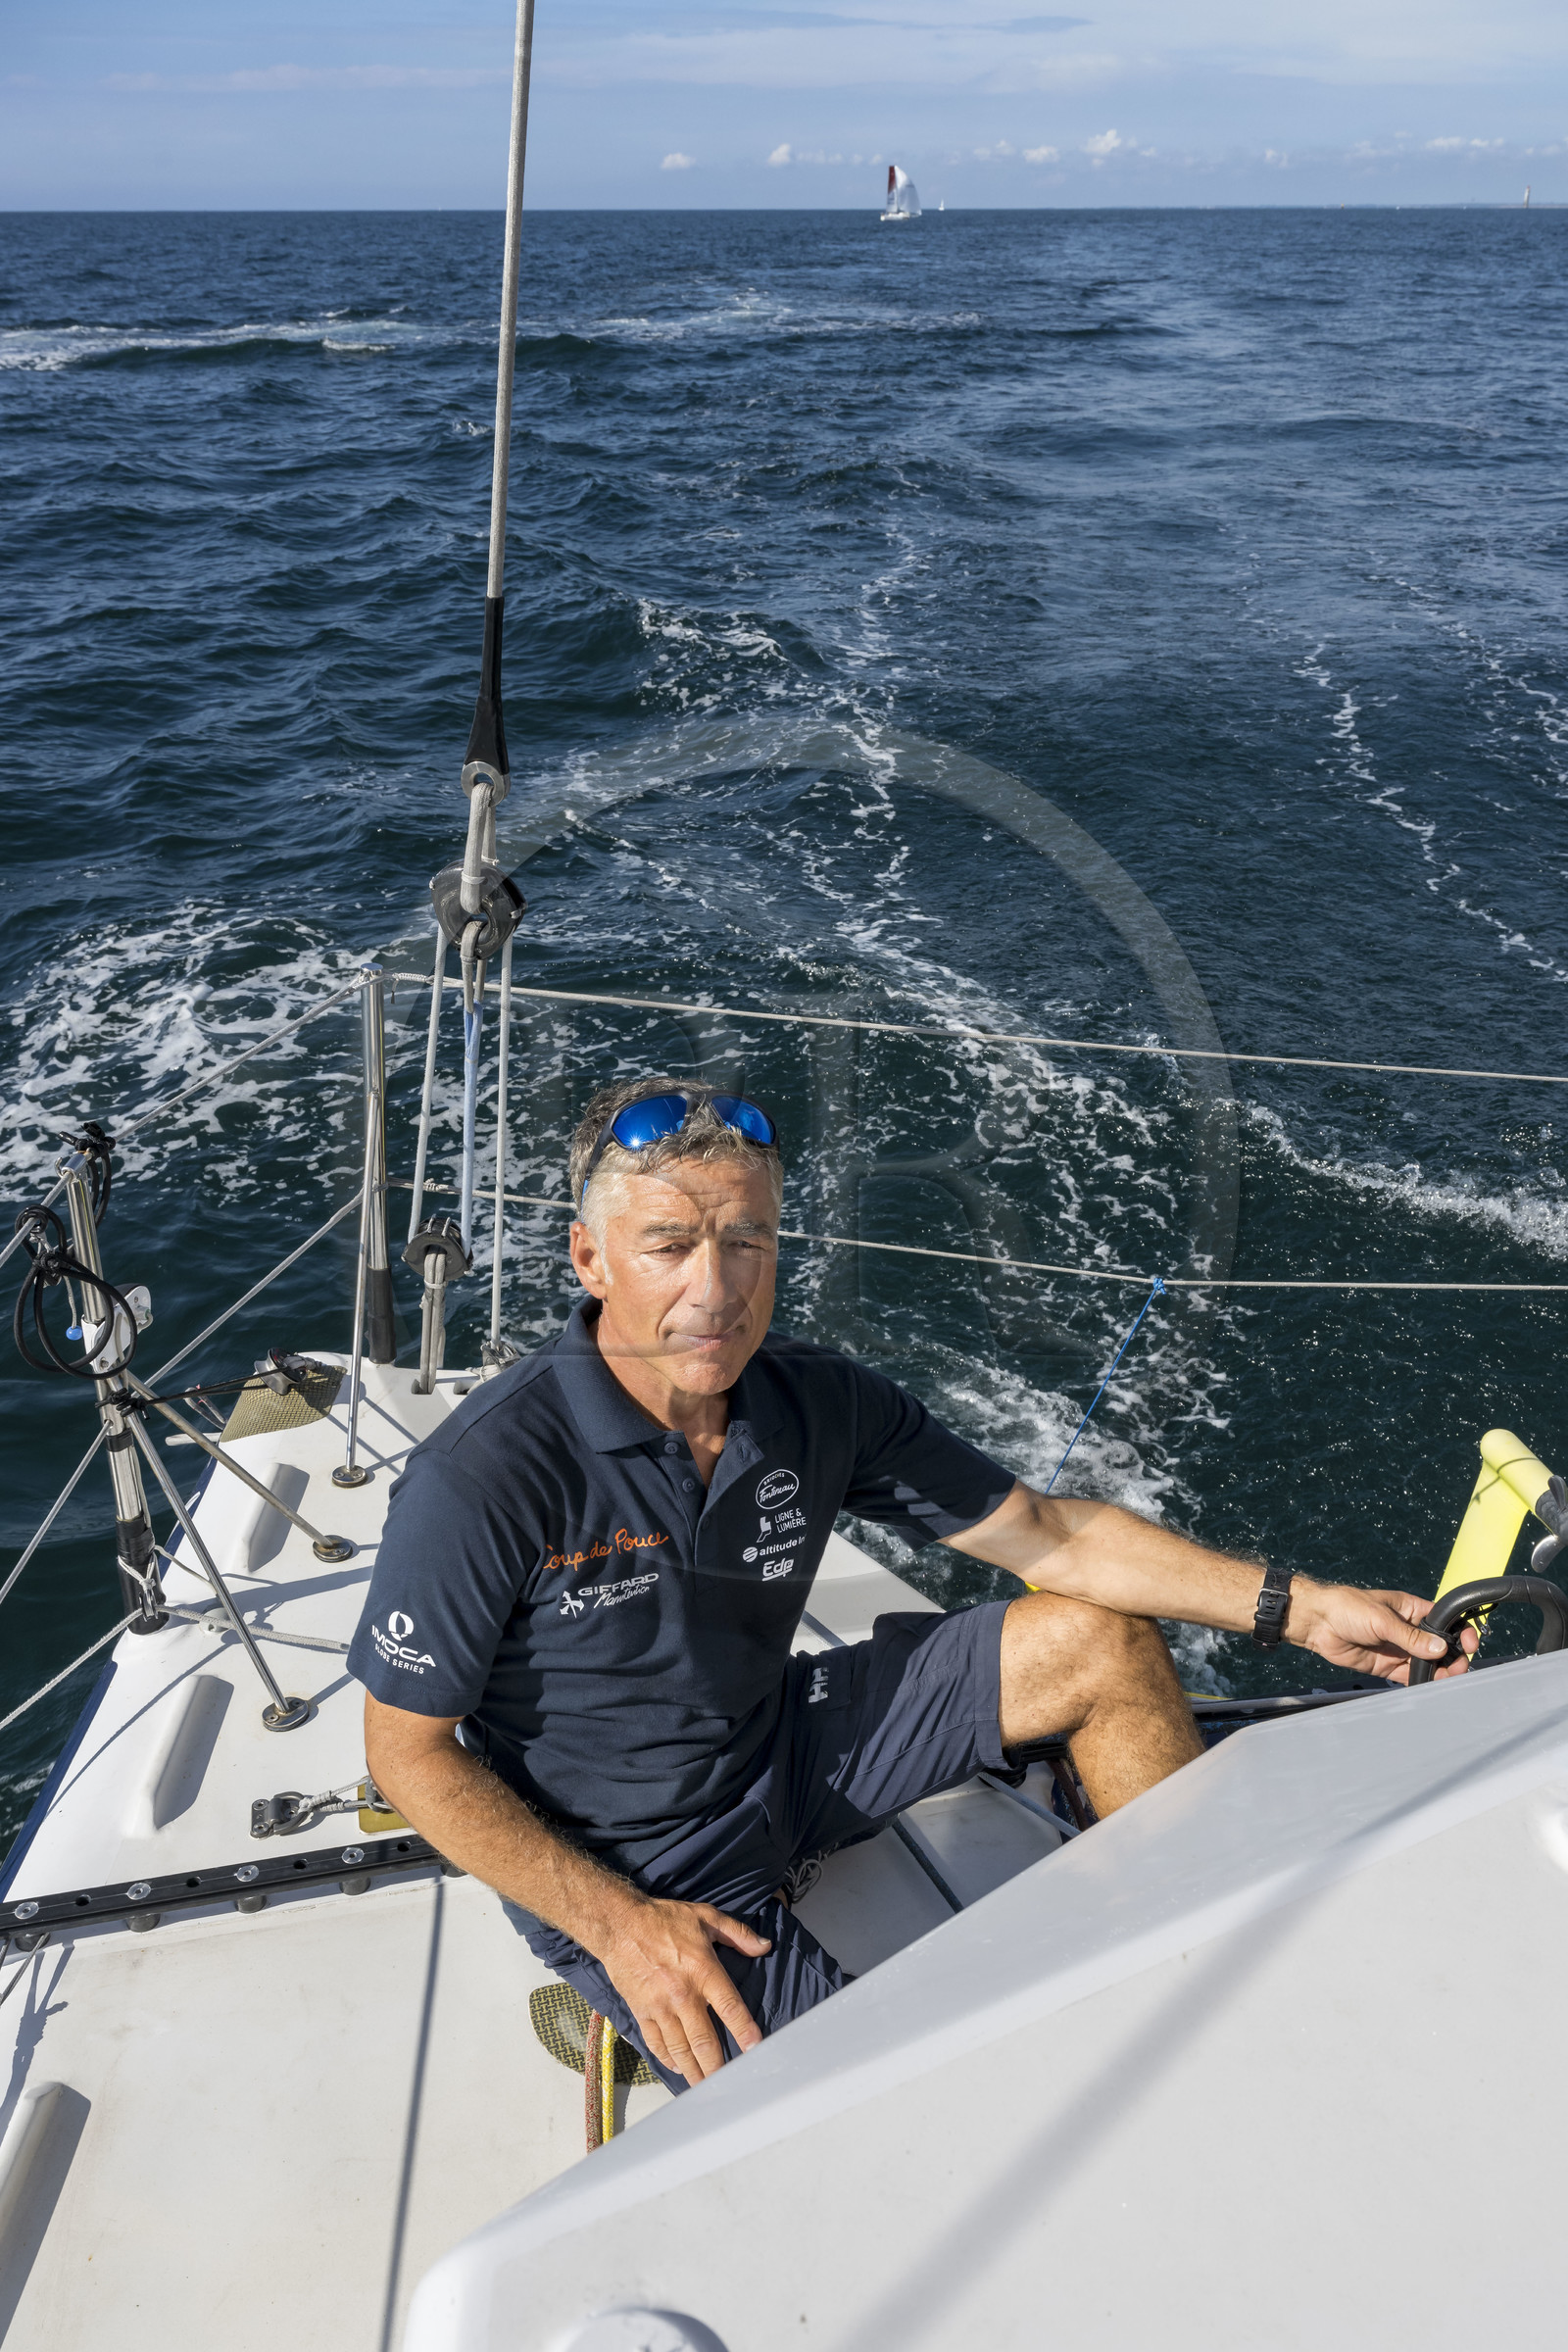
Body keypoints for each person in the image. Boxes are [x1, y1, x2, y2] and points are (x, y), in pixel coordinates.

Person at [351, 1079, 1469, 2094]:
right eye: (669, 1245)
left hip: (782, 1743)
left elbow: (1050, 1534)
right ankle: (621, 1996)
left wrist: (1307, 1606)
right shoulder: (484, 1474)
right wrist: (619, 1926)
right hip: (634, 1862)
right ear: (590, 1260)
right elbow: (407, 1754)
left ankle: (1186, 1962)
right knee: (904, 2110)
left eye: (748, 1240)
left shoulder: (814, 1398)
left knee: (1095, 1641)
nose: (717, 1289)